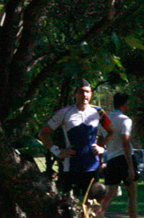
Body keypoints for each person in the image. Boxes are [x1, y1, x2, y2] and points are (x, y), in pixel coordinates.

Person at [38, 80, 111, 209]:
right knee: (70, 206)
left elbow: (111, 132)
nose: (84, 95)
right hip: (71, 167)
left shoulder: (98, 112)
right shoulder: (65, 112)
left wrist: (102, 148)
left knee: (92, 207)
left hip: (92, 167)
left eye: (87, 92)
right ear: (75, 94)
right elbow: (43, 134)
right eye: (81, 92)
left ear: (91, 94)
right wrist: (58, 151)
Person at [98, 92, 139, 218]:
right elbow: (125, 142)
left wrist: (101, 161)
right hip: (125, 159)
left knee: (109, 195)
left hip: (111, 159)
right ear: (125, 104)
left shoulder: (105, 120)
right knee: (132, 196)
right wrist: (131, 168)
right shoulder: (125, 120)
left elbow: (100, 141)